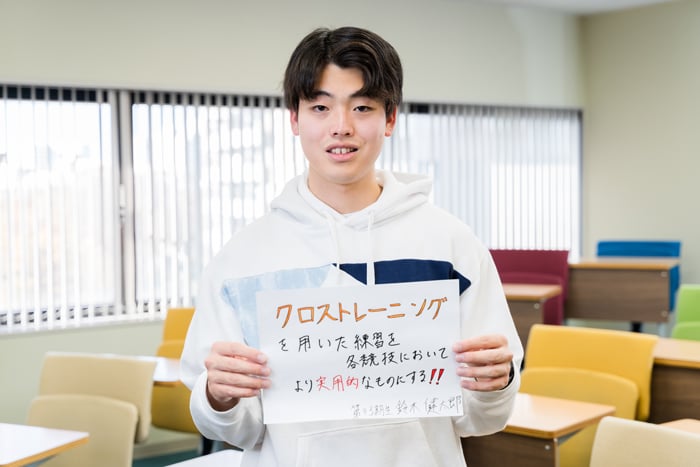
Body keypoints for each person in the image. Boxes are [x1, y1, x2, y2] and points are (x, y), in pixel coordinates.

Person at [180, 26, 523, 467]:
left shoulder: (451, 244)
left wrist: (496, 383)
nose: (341, 127)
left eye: (362, 107)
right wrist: (219, 396)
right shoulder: (242, 259)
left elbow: (481, 418)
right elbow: (234, 428)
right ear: (294, 119)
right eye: (320, 107)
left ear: (390, 118)